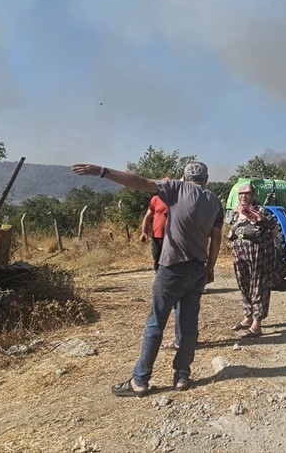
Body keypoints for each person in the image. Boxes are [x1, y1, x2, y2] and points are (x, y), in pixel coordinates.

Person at [72, 160, 222, 396]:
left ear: (184, 178)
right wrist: (210, 268)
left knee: (155, 324)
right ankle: (182, 376)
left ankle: (140, 381)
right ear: (207, 180)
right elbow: (216, 238)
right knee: (189, 325)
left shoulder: (176, 188)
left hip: (172, 269)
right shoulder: (214, 201)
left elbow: (141, 182)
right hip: (197, 270)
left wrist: (103, 172)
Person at [227, 184, 280, 339]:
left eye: (247, 193)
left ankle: (256, 324)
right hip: (239, 252)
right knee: (243, 283)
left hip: (258, 252)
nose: (243, 196)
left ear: (252, 195)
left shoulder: (261, 212)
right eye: (241, 194)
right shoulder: (237, 212)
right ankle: (247, 316)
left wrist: (263, 243)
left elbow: (274, 229)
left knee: (258, 285)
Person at [140, 184, 169, 271]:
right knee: (157, 259)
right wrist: (143, 232)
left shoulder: (177, 200)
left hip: (173, 237)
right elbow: (147, 217)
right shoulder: (155, 199)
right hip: (158, 236)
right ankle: (158, 276)